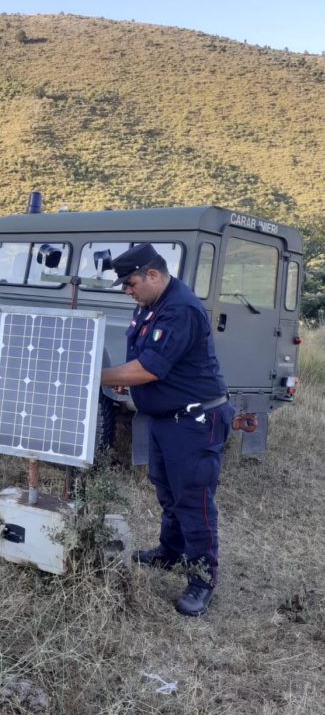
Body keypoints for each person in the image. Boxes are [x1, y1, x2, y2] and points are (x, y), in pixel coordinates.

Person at [99, 243, 234, 617]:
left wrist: (96, 376)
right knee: (167, 490)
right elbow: (143, 359)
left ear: (153, 275)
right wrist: (132, 383)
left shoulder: (180, 309)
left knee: (193, 500)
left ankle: (203, 579)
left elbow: (150, 368)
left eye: (130, 283)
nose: (128, 290)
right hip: (165, 420)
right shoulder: (149, 304)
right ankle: (170, 552)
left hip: (195, 422)